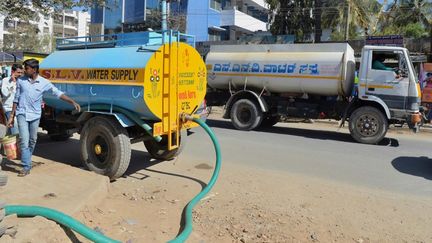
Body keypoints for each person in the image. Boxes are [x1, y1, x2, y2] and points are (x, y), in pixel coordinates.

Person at [7, 59, 81, 177]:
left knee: (32, 140)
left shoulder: (44, 82)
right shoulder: (21, 81)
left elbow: (58, 93)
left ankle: (27, 158)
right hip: (22, 113)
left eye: (26, 68)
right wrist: (12, 116)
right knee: (24, 140)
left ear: (34, 69)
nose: (24, 71)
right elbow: (16, 98)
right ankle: (26, 166)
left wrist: (72, 102)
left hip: (35, 115)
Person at [0, 64, 23, 135]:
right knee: (15, 130)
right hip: (9, 108)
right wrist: (13, 83)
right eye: (18, 72)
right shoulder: (6, 80)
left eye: (21, 72)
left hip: (20, 108)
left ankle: (10, 144)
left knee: (15, 130)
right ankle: (14, 144)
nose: (20, 74)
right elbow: (5, 94)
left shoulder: (22, 81)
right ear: (13, 72)